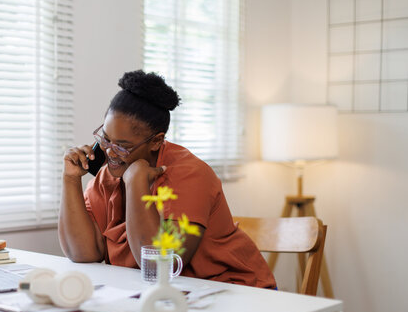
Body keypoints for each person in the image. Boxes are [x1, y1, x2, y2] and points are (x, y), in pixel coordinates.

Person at [59, 70, 276, 288]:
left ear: (156, 141)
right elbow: (83, 253)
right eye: (105, 139)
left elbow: (160, 267)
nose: (111, 154)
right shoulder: (109, 176)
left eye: (123, 146)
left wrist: (136, 183)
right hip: (165, 295)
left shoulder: (190, 174)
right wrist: (70, 180)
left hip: (236, 292)